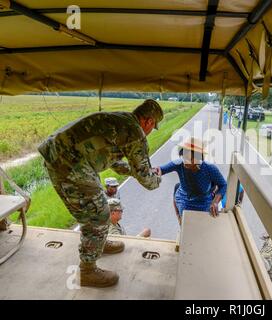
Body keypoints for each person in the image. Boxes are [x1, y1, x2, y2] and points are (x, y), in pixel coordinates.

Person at [38, 99, 163, 288]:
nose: (150, 131)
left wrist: (134, 171)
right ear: (149, 122)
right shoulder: (135, 133)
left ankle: (99, 243)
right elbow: (147, 180)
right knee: (98, 214)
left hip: (60, 156)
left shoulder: (122, 120)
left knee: (94, 209)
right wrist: (156, 177)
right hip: (70, 163)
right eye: (153, 127)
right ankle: (87, 271)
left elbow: (113, 161)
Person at [154, 137, 227, 223]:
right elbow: (161, 169)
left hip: (203, 201)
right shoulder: (179, 163)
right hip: (184, 198)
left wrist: (215, 202)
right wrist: (156, 171)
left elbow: (223, 185)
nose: (185, 161)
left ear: (198, 158)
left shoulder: (210, 168)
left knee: (204, 225)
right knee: (186, 223)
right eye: (184, 157)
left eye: (189, 158)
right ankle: (179, 218)